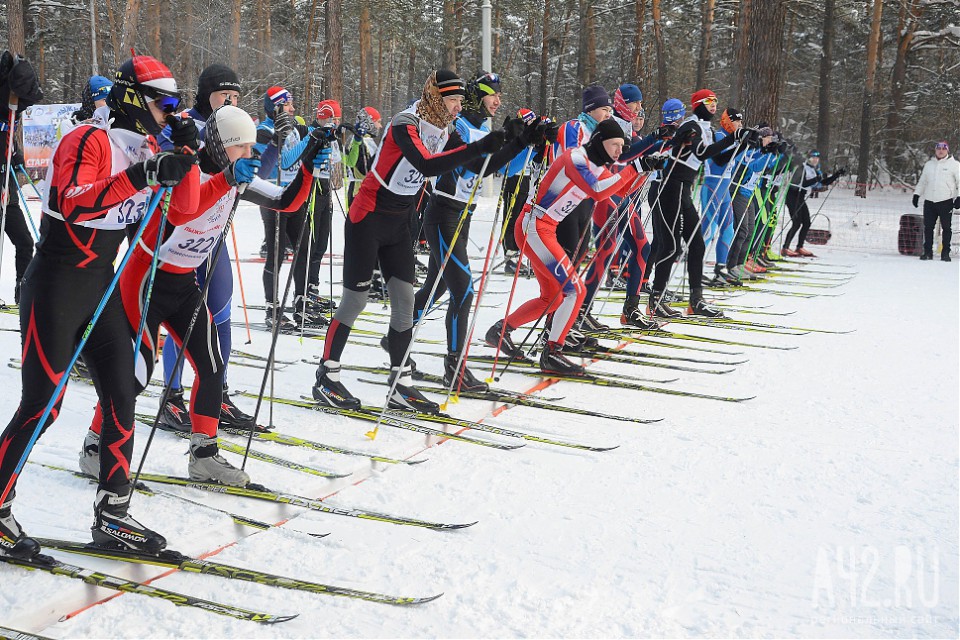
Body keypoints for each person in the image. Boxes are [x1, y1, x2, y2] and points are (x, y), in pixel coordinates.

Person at [0, 56, 199, 558]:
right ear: (134, 98)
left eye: (176, 104)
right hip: (57, 283)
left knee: (122, 388)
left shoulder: (150, 144)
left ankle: (113, 513)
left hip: (100, 285)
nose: (170, 112)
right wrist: (143, 175)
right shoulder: (88, 140)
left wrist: (187, 152)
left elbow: (186, 209)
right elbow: (74, 202)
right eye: (165, 103)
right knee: (42, 405)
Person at [78, 105, 324, 487]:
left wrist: (307, 166)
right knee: (133, 375)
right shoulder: (186, 171)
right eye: (240, 147)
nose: (249, 155)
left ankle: (204, 455)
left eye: (249, 147)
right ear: (220, 146)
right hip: (143, 282)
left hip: (183, 284)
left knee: (212, 367)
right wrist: (227, 178)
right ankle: (95, 447)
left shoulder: (236, 177)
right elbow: (184, 212)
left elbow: (286, 201)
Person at [311, 69, 506, 413]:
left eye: (462, 101)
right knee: (354, 302)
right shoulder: (407, 122)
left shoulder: (444, 128)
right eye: (453, 100)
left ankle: (400, 384)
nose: (458, 108)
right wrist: (479, 145)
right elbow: (426, 164)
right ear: (435, 97)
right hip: (368, 216)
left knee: (403, 302)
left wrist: (517, 140)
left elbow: (475, 165)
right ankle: (327, 375)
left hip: (402, 221)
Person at [411, 71, 539, 392]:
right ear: (478, 95)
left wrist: (526, 144)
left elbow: (502, 168)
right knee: (462, 291)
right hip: (443, 213)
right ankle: (454, 369)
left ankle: (397, 340)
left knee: (436, 289)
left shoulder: (481, 126)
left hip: (461, 215)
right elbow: (474, 163)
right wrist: (511, 142)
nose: (498, 101)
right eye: (493, 95)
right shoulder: (462, 126)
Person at [484, 119, 644, 375]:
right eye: (615, 145)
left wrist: (645, 170)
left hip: (543, 228)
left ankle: (500, 332)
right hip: (534, 226)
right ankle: (553, 351)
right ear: (601, 140)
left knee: (553, 297)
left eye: (621, 146)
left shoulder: (594, 165)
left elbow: (621, 190)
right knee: (575, 290)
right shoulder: (576, 158)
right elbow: (599, 191)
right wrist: (633, 167)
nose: (618, 151)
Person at [154, 63, 257, 432]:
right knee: (187, 316)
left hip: (213, 235)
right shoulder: (184, 124)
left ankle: (217, 393)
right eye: (222, 95)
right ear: (205, 94)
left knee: (221, 310)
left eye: (235, 96)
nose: (229, 101)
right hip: (179, 238)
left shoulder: (235, 122)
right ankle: (172, 395)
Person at [647, 89, 750, 319]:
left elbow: (720, 158)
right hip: (669, 188)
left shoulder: (707, 129)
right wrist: (734, 137)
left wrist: (742, 144)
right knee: (670, 246)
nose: (714, 105)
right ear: (698, 104)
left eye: (715, 101)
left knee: (697, 244)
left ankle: (696, 300)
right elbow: (702, 153)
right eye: (709, 101)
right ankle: (655, 298)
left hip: (683, 188)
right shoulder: (691, 126)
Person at [253, 86, 317, 328]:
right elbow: (263, 169)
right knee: (276, 254)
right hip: (273, 198)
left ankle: (301, 304)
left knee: (304, 250)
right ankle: (273, 309)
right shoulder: (263, 130)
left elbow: (296, 158)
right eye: (287, 104)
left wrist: (314, 144)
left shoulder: (293, 131)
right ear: (276, 107)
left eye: (291, 103)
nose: (292, 108)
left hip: (294, 196)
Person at [553, 86, 613, 264]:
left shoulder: (599, 134)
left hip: (584, 200)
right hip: (564, 197)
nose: (608, 114)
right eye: (604, 110)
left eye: (610, 110)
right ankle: (558, 292)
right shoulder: (574, 127)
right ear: (591, 108)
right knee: (567, 256)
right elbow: (572, 158)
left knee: (578, 256)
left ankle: (570, 292)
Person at [303, 99, 343, 312]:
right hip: (312, 191)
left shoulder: (331, 135)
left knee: (322, 244)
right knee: (312, 242)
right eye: (332, 118)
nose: (335, 123)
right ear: (323, 116)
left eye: (337, 119)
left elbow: (335, 160)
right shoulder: (312, 132)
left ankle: (313, 288)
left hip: (325, 190)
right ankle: (304, 292)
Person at [782, 150, 845, 257]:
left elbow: (822, 182)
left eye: (817, 158)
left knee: (806, 222)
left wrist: (836, 175)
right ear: (808, 158)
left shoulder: (814, 169)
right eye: (813, 157)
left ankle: (799, 247)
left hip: (801, 197)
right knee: (796, 223)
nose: (815, 160)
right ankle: (785, 248)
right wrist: (817, 179)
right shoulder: (802, 168)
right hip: (793, 196)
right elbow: (803, 182)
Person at [912, 141, 959, 261]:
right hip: (929, 201)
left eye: (943, 149)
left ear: (947, 151)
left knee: (946, 228)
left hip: (945, 201)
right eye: (938, 149)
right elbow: (923, 181)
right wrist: (917, 194)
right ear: (935, 150)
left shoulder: (954, 165)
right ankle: (927, 252)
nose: (941, 151)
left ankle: (945, 253)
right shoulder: (929, 165)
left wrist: (959, 197)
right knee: (928, 227)